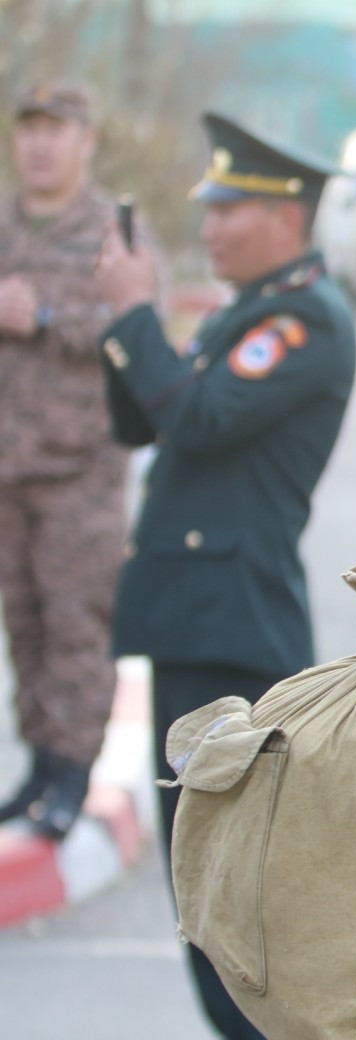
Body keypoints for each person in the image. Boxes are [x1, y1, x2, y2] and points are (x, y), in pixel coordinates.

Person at [94, 112, 356, 1040]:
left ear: (287, 216)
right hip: (195, 618)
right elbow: (143, 424)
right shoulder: (247, 307)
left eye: (228, 209)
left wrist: (132, 316)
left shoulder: (300, 320)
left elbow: (195, 423)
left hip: (231, 625)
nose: (209, 227)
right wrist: (135, 318)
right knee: (193, 862)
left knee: (225, 872)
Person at [0, 81, 162, 839]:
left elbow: (137, 324)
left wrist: (45, 318)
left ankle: (72, 774)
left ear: (85, 141)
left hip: (77, 471)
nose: (38, 144)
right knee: (23, 623)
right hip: (7, 465)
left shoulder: (111, 228)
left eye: (54, 130)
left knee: (75, 625)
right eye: (28, 129)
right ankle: (36, 765)